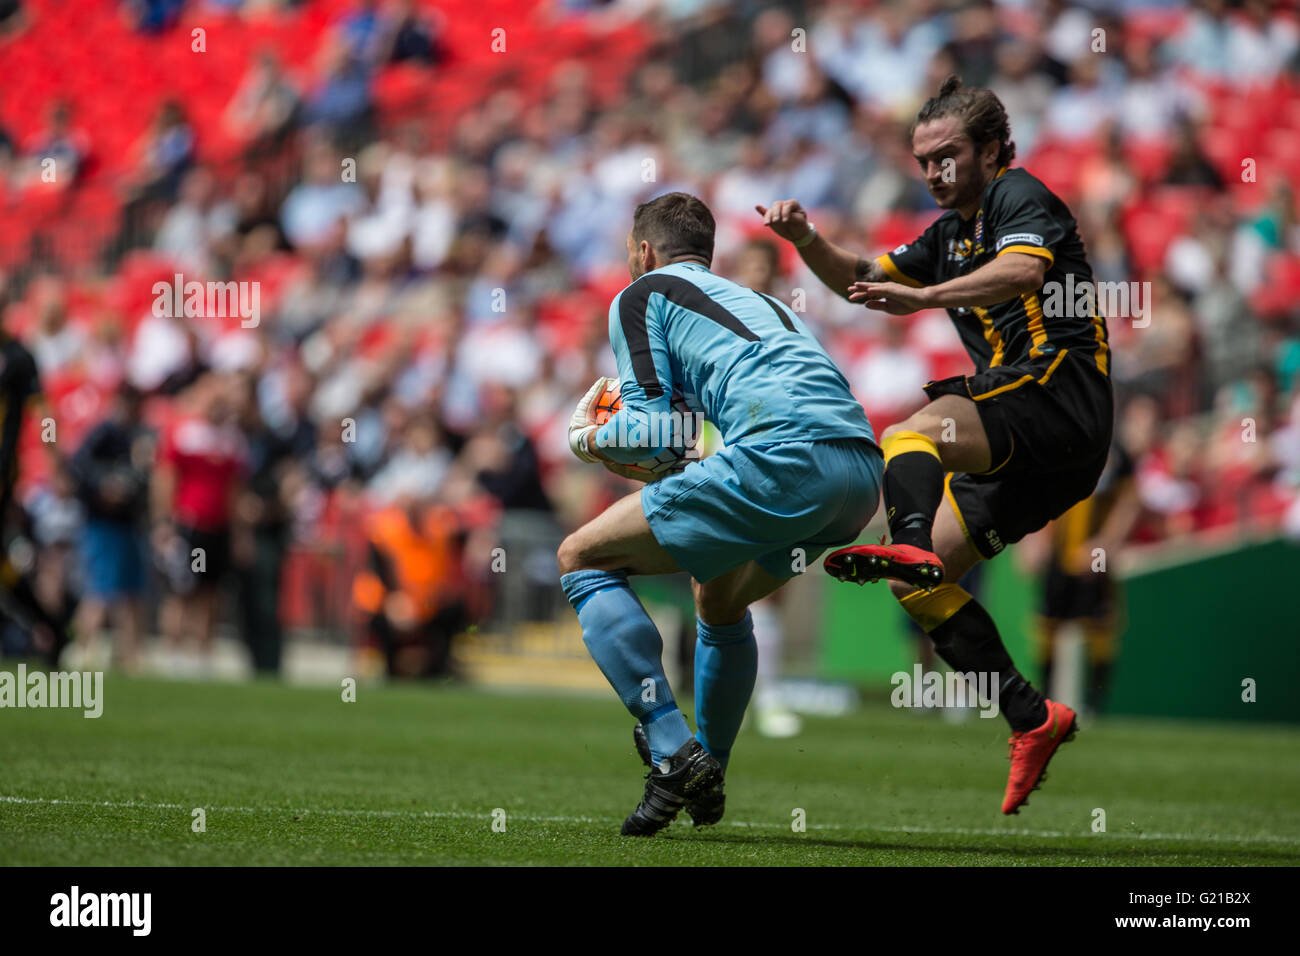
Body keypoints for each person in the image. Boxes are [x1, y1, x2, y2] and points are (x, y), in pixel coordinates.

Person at [759, 76, 1113, 814]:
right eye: (922, 160)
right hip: (1043, 448)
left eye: (947, 156)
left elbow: (1022, 271)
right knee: (911, 584)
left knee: (910, 435)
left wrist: (924, 298)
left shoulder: (1021, 198)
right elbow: (859, 279)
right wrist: (806, 241)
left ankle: (909, 536)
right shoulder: (947, 236)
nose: (933, 173)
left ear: (990, 149)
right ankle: (1031, 716)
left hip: (1059, 393)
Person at [558, 192, 882, 836]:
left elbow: (652, 434)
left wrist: (589, 440)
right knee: (719, 601)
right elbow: (682, 441)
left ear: (644, 252)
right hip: (858, 474)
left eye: (632, 254)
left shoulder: (642, 293)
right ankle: (711, 773)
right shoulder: (753, 301)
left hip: (783, 456)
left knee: (580, 557)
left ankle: (674, 746)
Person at [69, 383, 152, 670]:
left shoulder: (139, 436)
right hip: (103, 524)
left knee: (131, 592)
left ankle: (130, 656)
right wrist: (105, 488)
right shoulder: (104, 432)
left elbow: (144, 477)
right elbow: (79, 466)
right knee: (100, 589)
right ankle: (80, 650)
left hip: (128, 524)